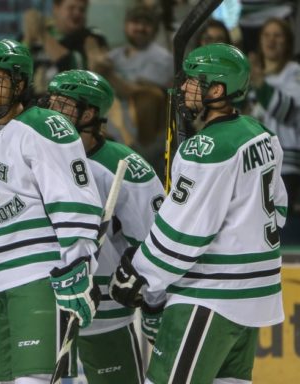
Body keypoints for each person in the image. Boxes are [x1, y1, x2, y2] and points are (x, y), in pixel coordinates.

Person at [109, 43, 288, 384]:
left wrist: (141, 272)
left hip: (210, 296)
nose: (184, 88)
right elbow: (278, 210)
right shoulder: (262, 135)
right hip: (253, 296)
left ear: (217, 90)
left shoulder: (206, 150)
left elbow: (184, 233)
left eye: (194, 81)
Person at [0, 39, 102, 383]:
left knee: (35, 379)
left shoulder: (45, 127)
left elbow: (75, 203)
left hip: (39, 276)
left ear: (19, 85)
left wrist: (77, 263)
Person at [43, 69, 165, 384]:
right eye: (52, 103)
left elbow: (155, 240)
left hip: (105, 308)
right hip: (43, 300)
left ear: (91, 113)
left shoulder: (126, 166)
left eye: (65, 106)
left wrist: (155, 302)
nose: (54, 114)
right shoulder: (34, 154)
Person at [94, 4, 173, 177]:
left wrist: (107, 72)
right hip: (108, 139)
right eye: (135, 22)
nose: (140, 28)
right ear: (126, 25)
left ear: (154, 30)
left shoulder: (162, 58)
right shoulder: (116, 55)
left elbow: (136, 93)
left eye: (146, 23)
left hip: (143, 148)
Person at [248, 18, 300, 219]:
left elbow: (286, 111)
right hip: (253, 163)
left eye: (277, 35)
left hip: (286, 163)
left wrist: (259, 82)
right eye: (266, 35)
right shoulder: (251, 77)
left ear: (287, 41)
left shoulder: (294, 73)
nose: (271, 40)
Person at [21, 0, 109, 99]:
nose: (77, 13)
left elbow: (73, 68)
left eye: (82, 9)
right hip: (30, 106)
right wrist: (28, 39)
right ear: (55, 8)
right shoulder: (34, 36)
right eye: (71, 8)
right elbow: (15, 66)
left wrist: (42, 33)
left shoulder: (91, 37)